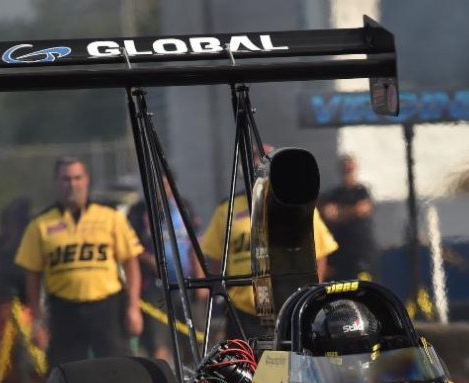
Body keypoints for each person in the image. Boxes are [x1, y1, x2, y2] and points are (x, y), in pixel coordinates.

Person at [14, 157, 144, 368]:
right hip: (65, 309)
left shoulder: (110, 218)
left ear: (86, 181)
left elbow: (131, 262)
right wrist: (37, 320)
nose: (72, 185)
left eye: (77, 178)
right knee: (64, 373)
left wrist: (133, 307)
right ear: (56, 183)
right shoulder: (40, 225)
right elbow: (32, 273)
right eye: (66, 179)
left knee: (118, 368)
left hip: (107, 306)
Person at [200, 146, 339, 339]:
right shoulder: (227, 208)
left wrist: (309, 297)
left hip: (288, 308)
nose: (257, 162)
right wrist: (223, 295)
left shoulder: (296, 203)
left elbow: (319, 254)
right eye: (254, 156)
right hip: (242, 312)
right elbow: (214, 256)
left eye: (264, 157)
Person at [130, 178, 204, 362]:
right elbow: (131, 248)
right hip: (155, 288)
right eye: (155, 184)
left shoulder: (183, 206)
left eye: (164, 184)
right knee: (159, 343)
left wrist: (201, 278)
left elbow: (194, 242)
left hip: (186, 283)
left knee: (195, 341)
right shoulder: (139, 211)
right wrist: (153, 262)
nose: (160, 189)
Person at [318, 155, 377, 281]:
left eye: (350, 170)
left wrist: (341, 213)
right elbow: (327, 212)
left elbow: (363, 209)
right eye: (345, 171)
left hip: (360, 255)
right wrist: (351, 211)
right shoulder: (334, 194)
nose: (348, 174)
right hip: (340, 255)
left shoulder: (362, 191)